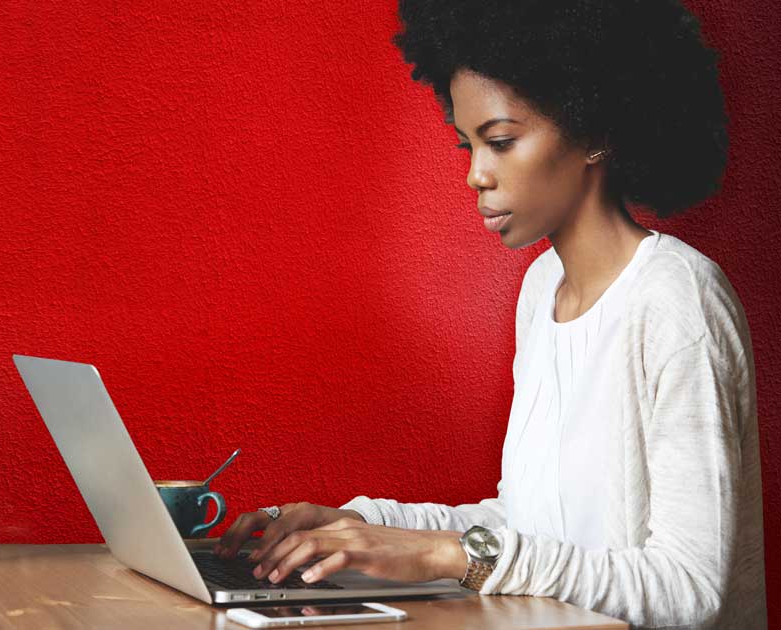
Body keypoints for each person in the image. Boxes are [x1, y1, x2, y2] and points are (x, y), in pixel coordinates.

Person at [213, 1, 768, 628]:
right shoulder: (542, 289)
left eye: (500, 141)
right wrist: (360, 523)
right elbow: (529, 531)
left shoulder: (677, 299)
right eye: (468, 144)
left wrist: (442, 553)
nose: (476, 174)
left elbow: (690, 590)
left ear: (596, 130)